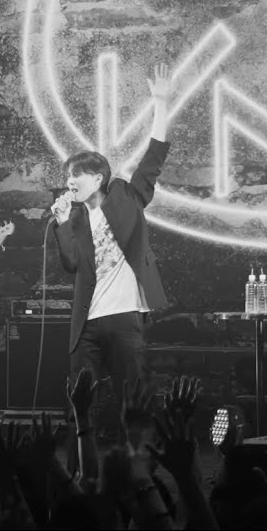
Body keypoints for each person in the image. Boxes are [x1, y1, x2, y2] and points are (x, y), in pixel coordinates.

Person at [51, 63, 174, 413]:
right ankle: (83, 451)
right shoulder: (73, 219)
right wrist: (62, 223)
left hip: (124, 317)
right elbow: (71, 264)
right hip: (86, 324)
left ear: (97, 178)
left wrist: (161, 103)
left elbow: (153, 158)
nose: (69, 181)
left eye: (76, 174)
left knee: (133, 403)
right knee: (81, 405)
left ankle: (135, 449)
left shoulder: (126, 198)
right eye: (67, 175)